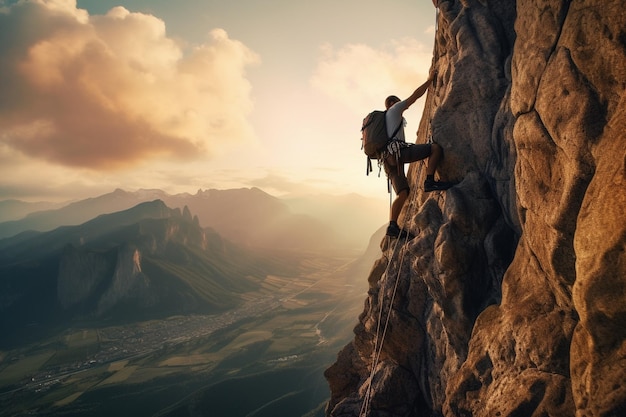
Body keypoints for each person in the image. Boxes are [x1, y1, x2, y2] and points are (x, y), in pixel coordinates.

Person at [383, 71, 454, 238]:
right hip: (399, 154)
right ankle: (429, 182)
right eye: (398, 102)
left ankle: (392, 226)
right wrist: (429, 82)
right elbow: (414, 97)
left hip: (388, 160)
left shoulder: (385, 119)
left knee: (403, 193)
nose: (401, 104)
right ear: (393, 102)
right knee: (434, 148)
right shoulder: (394, 109)